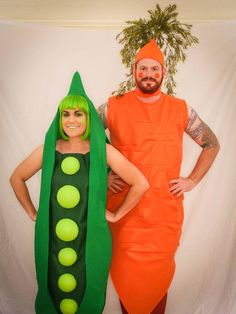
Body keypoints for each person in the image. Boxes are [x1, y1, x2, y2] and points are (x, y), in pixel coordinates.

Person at [97, 39, 220, 314]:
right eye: (143, 69)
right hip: (124, 212)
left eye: (154, 69)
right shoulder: (112, 106)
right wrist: (103, 174)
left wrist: (192, 180)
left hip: (164, 213)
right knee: (127, 280)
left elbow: (212, 143)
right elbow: (82, 138)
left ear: (163, 73)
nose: (149, 74)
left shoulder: (181, 109)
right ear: (134, 70)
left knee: (157, 280)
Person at [10, 72, 149, 314]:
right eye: (66, 114)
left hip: (91, 239)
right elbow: (17, 178)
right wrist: (34, 214)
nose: (71, 120)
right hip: (52, 240)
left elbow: (140, 183)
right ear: (59, 118)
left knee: (87, 293)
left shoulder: (103, 152)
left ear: (88, 118)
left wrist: (116, 215)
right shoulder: (47, 150)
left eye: (78, 113)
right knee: (54, 292)